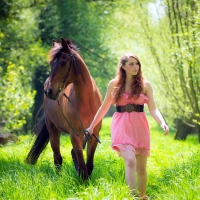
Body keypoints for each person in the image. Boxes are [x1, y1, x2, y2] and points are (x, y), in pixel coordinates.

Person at [86, 53, 169, 199]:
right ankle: (133, 196)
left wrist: (162, 122)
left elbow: (153, 108)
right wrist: (92, 126)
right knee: (130, 161)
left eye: (137, 63)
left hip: (140, 127)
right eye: (131, 64)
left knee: (142, 169)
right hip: (121, 126)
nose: (135, 66)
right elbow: (104, 107)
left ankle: (142, 196)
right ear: (123, 67)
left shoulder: (145, 85)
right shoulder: (114, 84)